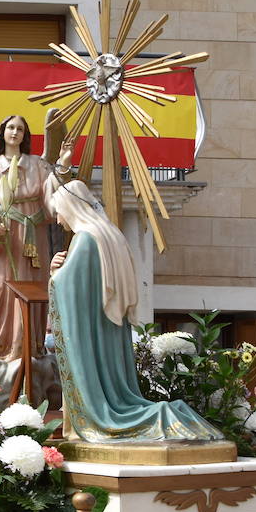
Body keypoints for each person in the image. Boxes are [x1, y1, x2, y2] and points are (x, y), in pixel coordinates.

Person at [47, 180, 223, 443]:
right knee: (121, 398)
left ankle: (115, 417)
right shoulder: (110, 234)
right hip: (110, 328)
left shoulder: (85, 239)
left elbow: (67, 286)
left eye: (59, 212)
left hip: (93, 332)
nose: (59, 221)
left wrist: (54, 274)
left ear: (70, 207)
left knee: (113, 412)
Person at [0, 115, 54, 358]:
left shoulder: (38, 165)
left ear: (25, 135)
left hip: (33, 239)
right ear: (2, 132)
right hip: (4, 240)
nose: (15, 132)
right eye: (10, 127)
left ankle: (31, 346)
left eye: (20, 129)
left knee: (33, 288)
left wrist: (65, 166)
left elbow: (53, 198)